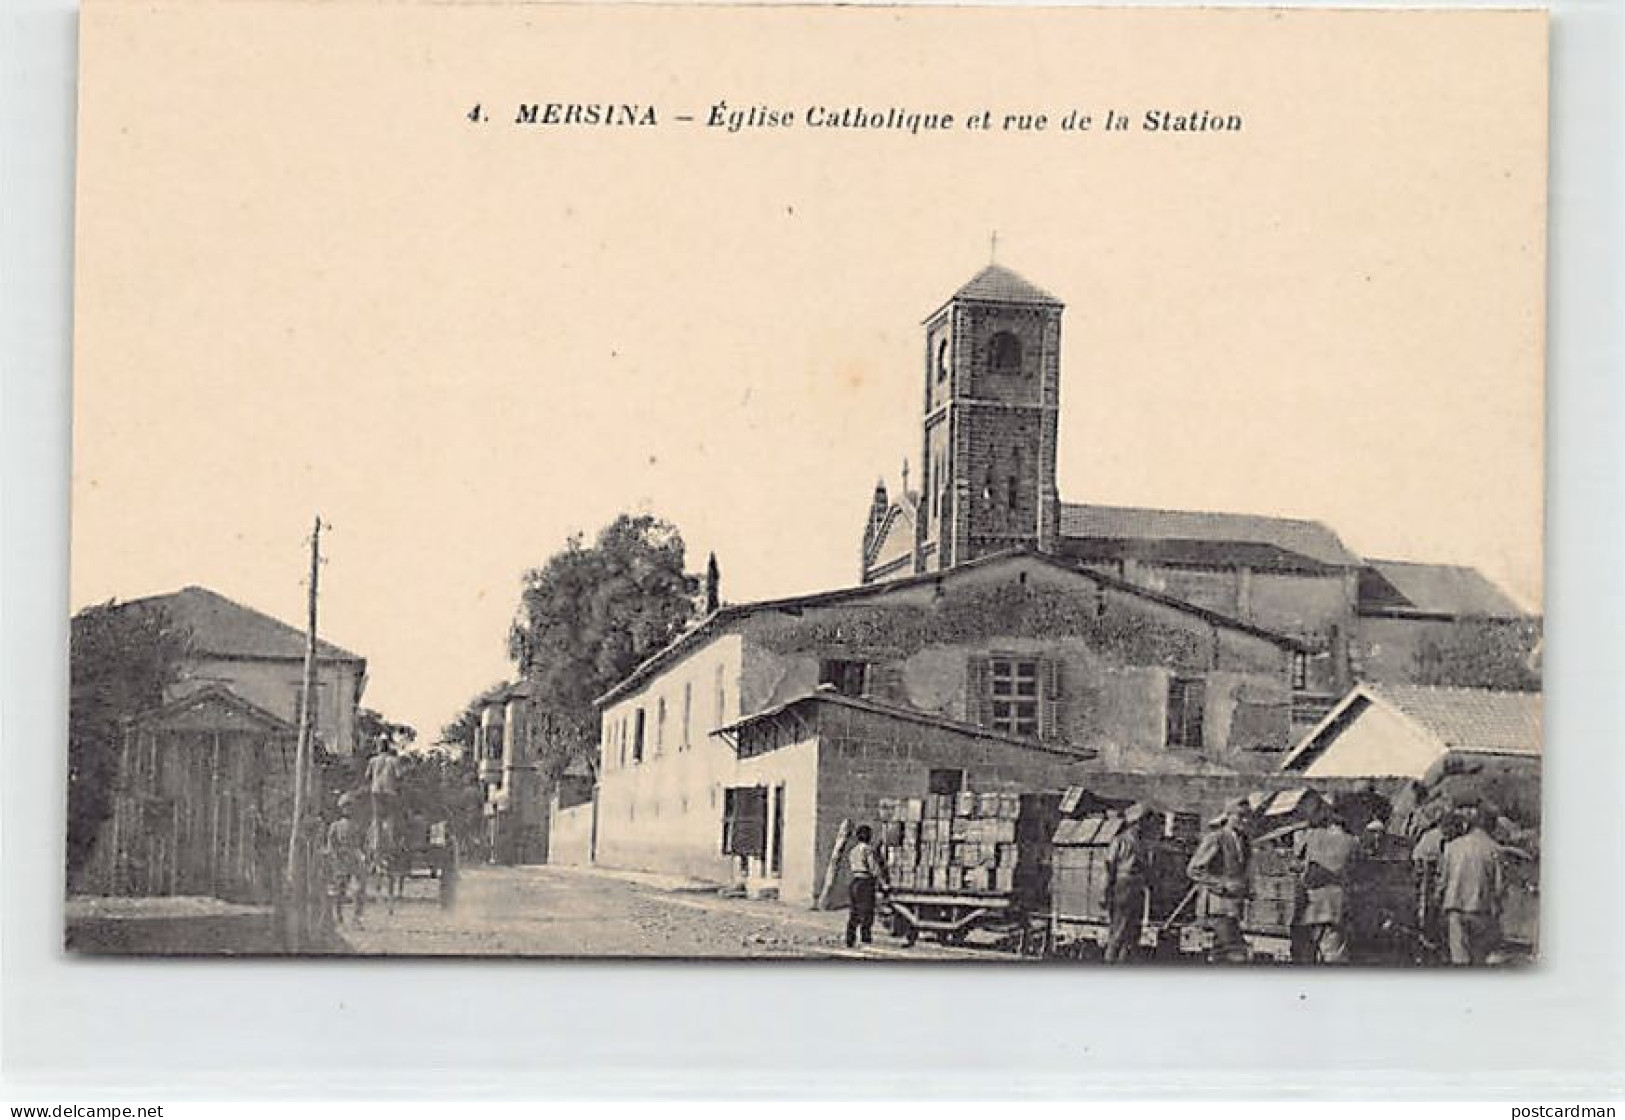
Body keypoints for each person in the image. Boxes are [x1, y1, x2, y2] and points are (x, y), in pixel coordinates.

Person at [1292, 798, 1359, 964]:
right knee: (1334, 956)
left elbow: (1297, 860)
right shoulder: (1353, 842)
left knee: (1305, 956)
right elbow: (1355, 870)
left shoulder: (1311, 835)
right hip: (1335, 907)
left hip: (1309, 906)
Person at [1187, 797, 1253, 963]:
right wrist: (1221, 884)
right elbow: (1194, 870)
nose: (1245, 820)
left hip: (1234, 907)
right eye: (1240, 816)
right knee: (1236, 952)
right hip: (1217, 906)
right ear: (1228, 816)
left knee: (1220, 953)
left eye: (1247, 816)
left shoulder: (1244, 842)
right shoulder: (1216, 838)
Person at [1437, 804, 1506, 965]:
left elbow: (1443, 881)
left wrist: (1438, 902)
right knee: (1478, 961)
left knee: (1459, 961)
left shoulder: (1452, 847)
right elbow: (1499, 887)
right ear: (1492, 825)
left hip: (1455, 909)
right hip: (1481, 911)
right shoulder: (1495, 849)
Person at [1104, 803, 1154, 963]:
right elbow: (1109, 866)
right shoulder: (1121, 840)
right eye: (1145, 821)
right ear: (1137, 822)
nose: (1147, 825)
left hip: (1135, 888)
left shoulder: (1142, 843)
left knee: (1131, 934)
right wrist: (1106, 890)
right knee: (1119, 930)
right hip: (1124, 887)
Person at [324, 796, 368, 928]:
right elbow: (331, 844)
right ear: (341, 808)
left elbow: (363, 843)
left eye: (350, 806)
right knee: (339, 890)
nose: (348, 809)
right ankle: (338, 916)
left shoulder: (358, 825)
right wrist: (335, 857)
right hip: (341, 859)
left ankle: (357, 918)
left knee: (360, 889)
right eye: (345, 806)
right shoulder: (335, 826)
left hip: (355, 858)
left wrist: (363, 855)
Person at [845, 825, 889, 948]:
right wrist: (883, 883)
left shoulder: (853, 850)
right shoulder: (868, 850)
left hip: (855, 881)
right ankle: (865, 938)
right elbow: (874, 868)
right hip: (865, 882)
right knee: (867, 911)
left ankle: (850, 938)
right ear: (868, 836)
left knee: (854, 911)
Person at [365, 744, 403, 837]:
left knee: (377, 818)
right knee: (390, 817)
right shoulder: (394, 760)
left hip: (376, 790)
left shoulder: (373, 760)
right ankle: (390, 843)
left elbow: (367, 776)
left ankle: (377, 844)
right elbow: (399, 775)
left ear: (379, 749)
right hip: (389, 791)